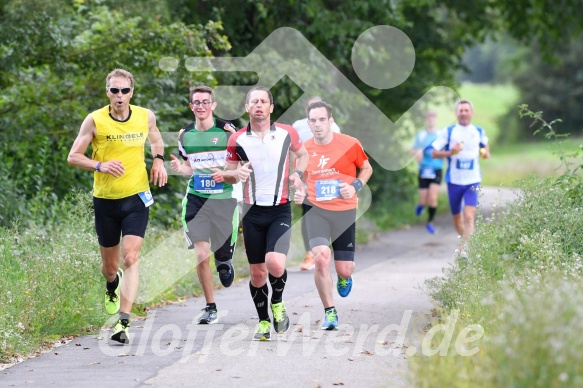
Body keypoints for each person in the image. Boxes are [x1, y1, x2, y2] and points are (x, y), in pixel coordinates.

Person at [67, 68, 168, 344]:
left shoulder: (145, 115)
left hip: (137, 197)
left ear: (132, 92)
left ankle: (123, 322)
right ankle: (112, 283)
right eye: (114, 90)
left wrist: (158, 160)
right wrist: (99, 164)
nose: (120, 96)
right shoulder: (95, 120)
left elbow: (156, 137)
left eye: (125, 90)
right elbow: (73, 157)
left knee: (131, 257)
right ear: (107, 92)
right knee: (110, 267)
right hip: (106, 201)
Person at [225, 86, 309, 341]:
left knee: (275, 262)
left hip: (279, 209)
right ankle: (263, 321)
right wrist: (235, 175)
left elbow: (303, 155)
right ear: (248, 108)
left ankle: (278, 303)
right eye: (254, 102)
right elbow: (227, 173)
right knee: (258, 273)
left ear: (271, 108)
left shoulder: (287, 133)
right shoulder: (237, 139)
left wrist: (297, 173)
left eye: (264, 102)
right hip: (251, 212)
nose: (259, 105)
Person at [294, 100, 373, 330]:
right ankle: (330, 312)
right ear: (307, 123)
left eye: (321, 120)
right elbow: (300, 181)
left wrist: (356, 186)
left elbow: (367, 168)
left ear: (331, 121)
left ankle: (344, 277)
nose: (317, 125)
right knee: (321, 258)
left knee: (344, 268)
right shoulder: (304, 150)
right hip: (315, 210)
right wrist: (299, 192)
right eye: (313, 120)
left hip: (344, 211)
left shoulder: (350, 144)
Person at [170, 85, 240, 325]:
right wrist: (182, 170)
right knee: (201, 255)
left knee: (220, 258)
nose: (201, 106)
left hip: (223, 200)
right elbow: (190, 165)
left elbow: (241, 168)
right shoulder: (184, 135)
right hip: (196, 199)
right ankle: (210, 307)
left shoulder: (229, 133)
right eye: (196, 103)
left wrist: (225, 174)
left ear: (213, 105)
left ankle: (224, 260)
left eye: (205, 102)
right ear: (191, 107)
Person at [431, 99, 490, 255]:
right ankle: (466, 243)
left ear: (471, 113)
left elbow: (484, 147)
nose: (463, 113)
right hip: (454, 181)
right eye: (460, 110)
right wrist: (451, 152)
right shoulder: (449, 131)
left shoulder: (478, 130)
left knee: (469, 215)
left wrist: (485, 153)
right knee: (457, 219)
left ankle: (466, 249)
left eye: (466, 110)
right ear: (456, 113)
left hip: (473, 180)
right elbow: (434, 153)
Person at [292, 96, 342, 271]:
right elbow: (292, 152)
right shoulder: (297, 126)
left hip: (327, 178)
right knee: (308, 215)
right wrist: (296, 174)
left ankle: (327, 251)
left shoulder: (334, 127)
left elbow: (339, 153)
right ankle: (309, 253)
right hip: (307, 178)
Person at [411, 111, 443, 234]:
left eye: (433, 118)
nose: (431, 120)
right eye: (429, 118)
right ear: (426, 120)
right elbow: (412, 150)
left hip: (436, 169)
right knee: (423, 200)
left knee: (433, 198)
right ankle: (421, 205)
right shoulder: (421, 135)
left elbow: (447, 150)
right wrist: (417, 153)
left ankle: (430, 223)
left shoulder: (440, 134)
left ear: (436, 120)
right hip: (423, 169)